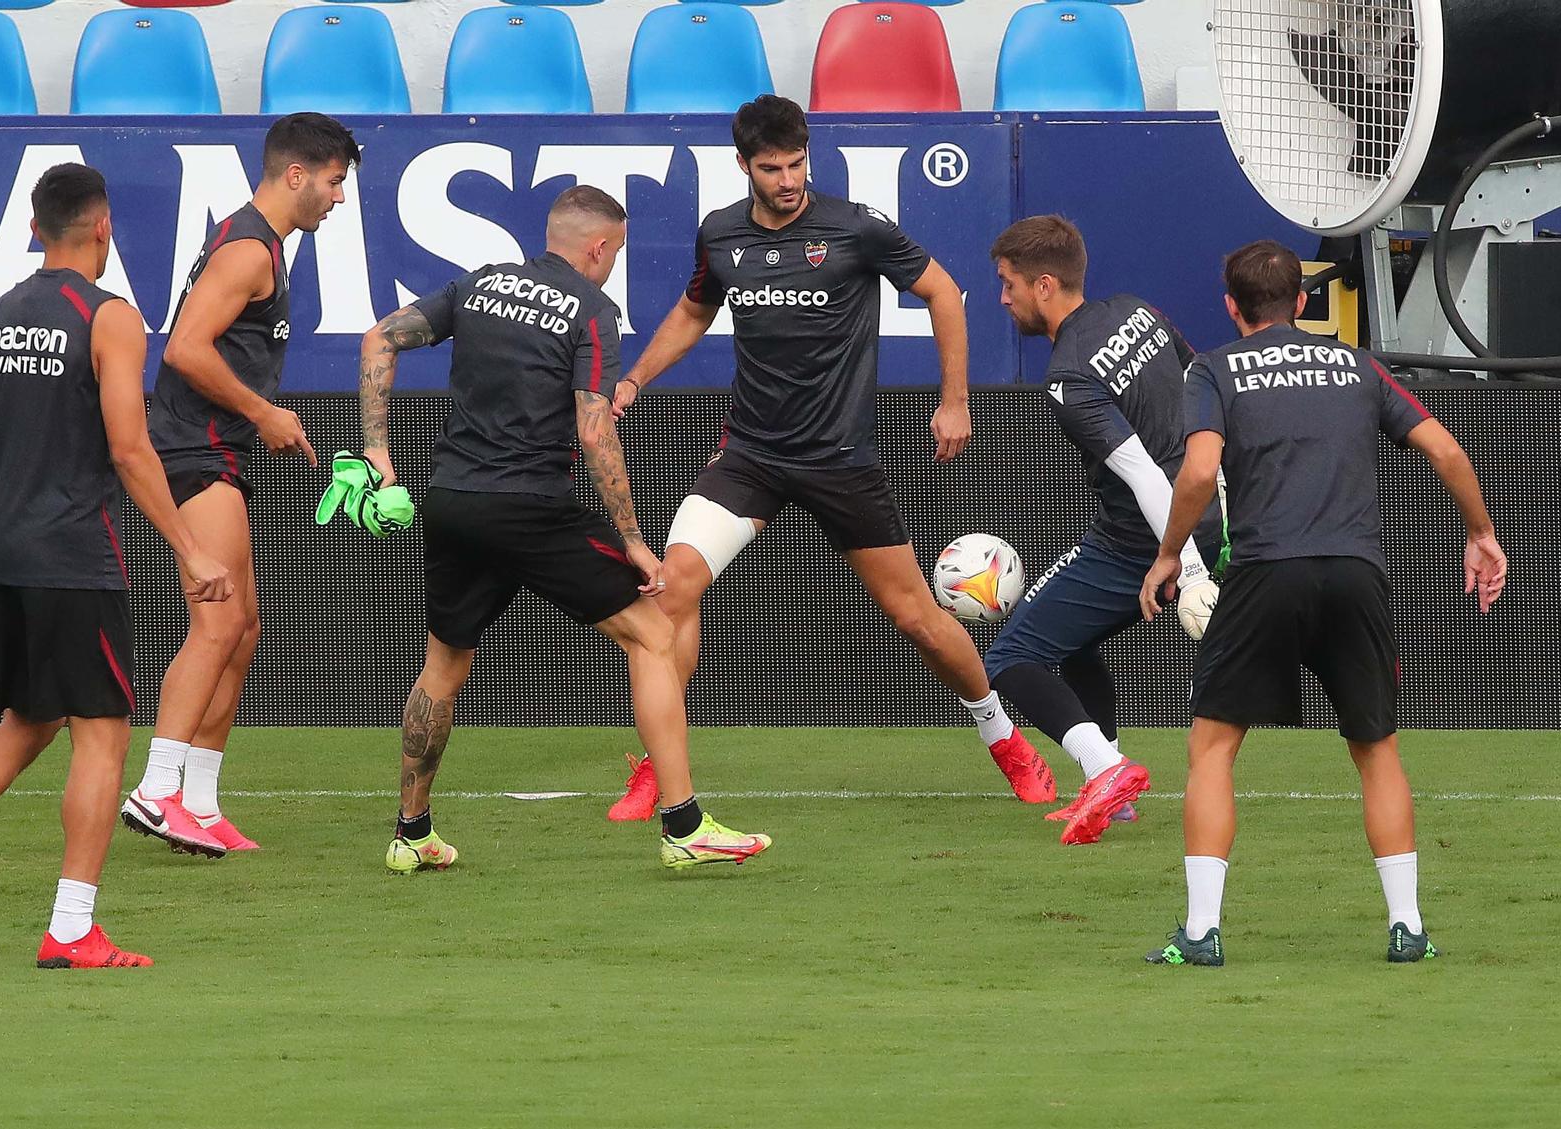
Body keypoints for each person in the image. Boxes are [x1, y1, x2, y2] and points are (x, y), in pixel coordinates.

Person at [604, 95, 1056, 819]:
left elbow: (942, 290)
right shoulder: (720, 236)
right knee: (672, 588)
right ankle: (664, 763)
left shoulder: (855, 227)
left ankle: (1000, 734)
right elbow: (694, 311)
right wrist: (632, 379)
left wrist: (956, 399)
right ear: (744, 165)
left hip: (840, 458)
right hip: (750, 453)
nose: (788, 179)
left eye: (796, 163)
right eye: (772, 167)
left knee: (917, 617)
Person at [0, 163, 233, 969]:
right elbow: (129, 446)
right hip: (74, 553)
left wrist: (9, 524)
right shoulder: (111, 317)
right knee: (102, 735)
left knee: (28, 721)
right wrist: (190, 548)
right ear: (102, 229)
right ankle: (72, 928)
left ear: (35, 230)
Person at [358, 186, 771, 872]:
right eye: (617, 253)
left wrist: (377, 448)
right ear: (599, 248)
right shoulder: (592, 308)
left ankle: (411, 831)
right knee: (654, 632)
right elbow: (594, 428)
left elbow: (380, 338)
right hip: (531, 507)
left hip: (452, 501)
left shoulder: (480, 284)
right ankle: (684, 823)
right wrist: (634, 538)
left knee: (443, 664)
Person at [1139, 240, 1506, 966]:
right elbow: (1448, 451)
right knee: (1376, 751)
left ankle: (1202, 932)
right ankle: (1407, 928)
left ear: (1230, 305)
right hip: (1354, 570)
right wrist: (1482, 532)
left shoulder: (1211, 367)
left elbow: (1200, 468)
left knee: (1213, 748)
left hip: (1265, 569)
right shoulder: (1359, 364)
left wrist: (1167, 554)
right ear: (1302, 301)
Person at [120, 113, 358, 857]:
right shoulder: (251, 248)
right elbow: (185, 347)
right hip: (196, 449)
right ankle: (157, 790)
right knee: (218, 622)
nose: (338, 199)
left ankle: (199, 800)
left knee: (245, 630)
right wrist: (265, 412)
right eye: (333, 182)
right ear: (297, 175)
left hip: (216, 448)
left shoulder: (260, 244)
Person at [983, 216, 1225, 846]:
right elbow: (1208, 390)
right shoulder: (1136, 311)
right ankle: (1111, 792)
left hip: (1142, 543)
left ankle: (1107, 768)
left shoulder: (1068, 377)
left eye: (1007, 284)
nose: (1001, 297)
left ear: (1042, 285)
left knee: (1010, 658)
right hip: (1198, 515)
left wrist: (1184, 567)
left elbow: (1145, 474)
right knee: (1068, 640)